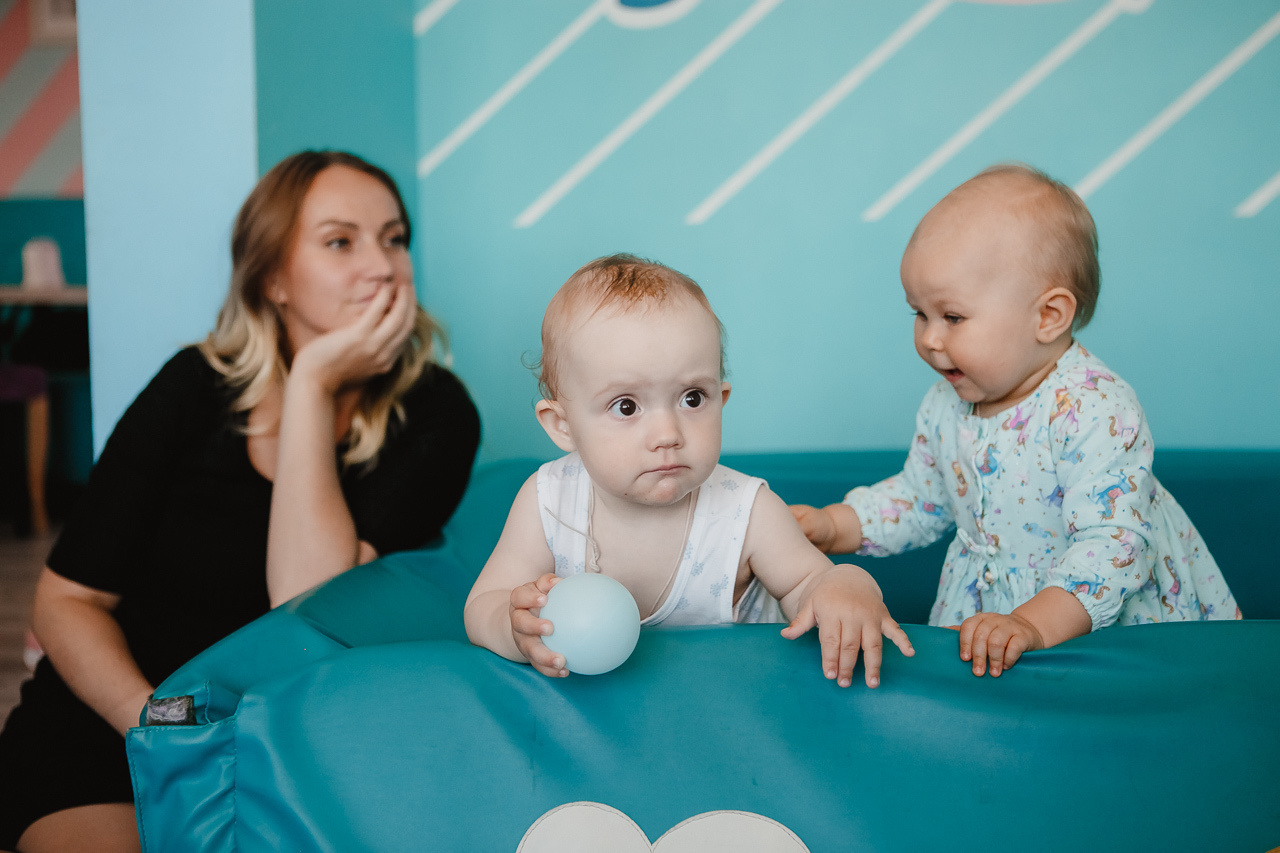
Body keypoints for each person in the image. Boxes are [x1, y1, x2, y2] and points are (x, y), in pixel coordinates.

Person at [0, 151, 481, 852]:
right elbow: (67, 600)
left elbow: (306, 599)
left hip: (300, 739)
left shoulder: (436, 411)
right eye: (341, 241)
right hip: (118, 724)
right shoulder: (193, 386)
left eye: (395, 238)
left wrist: (312, 383)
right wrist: (155, 723)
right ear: (274, 277)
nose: (383, 266)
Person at [791, 163, 1239, 680]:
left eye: (952, 317)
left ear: (1048, 317)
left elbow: (1112, 548)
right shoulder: (946, 403)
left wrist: (1031, 625)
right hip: (990, 617)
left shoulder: (1094, 407)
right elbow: (920, 499)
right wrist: (834, 525)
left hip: (1092, 626)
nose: (930, 339)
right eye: (919, 313)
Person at [464, 254, 913, 690]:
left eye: (693, 398)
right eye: (626, 406)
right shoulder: (547, 501)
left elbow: (810, 582)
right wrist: (515, 630)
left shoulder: (747, 512)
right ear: (563, 426)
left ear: (722, 399)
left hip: (733, 713)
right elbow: (484, 604)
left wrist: (847, 583)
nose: (668, 433)